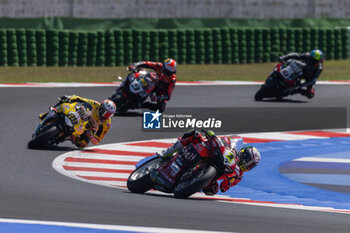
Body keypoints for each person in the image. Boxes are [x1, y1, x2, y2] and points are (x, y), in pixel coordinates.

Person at [157, 129, 261, 196]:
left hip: (213, 172)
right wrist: (212, 137)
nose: (247, 165)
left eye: (250, 166)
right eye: (248, 161)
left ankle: (187, 183)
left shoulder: (238, 175)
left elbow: (224, 187)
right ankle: (167, 152)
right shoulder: (232, 148)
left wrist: (227, 184)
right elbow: (225, 140)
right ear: (243, 154)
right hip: (212, 154)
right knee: (195, 135)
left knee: (213, 190)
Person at [39, 95, 116, 148]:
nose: (106, 117)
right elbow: (80, 99)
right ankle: (47, 113)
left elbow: (97, 140)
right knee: (64, 101)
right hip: (80, 117)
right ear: (101, 108)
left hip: (87, 129)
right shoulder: (95, 104)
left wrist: (91, 136)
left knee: (82, 144)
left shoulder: (107, 124)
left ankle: (70, 137)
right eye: (106, 114)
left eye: (109, 115)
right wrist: (70, 98)